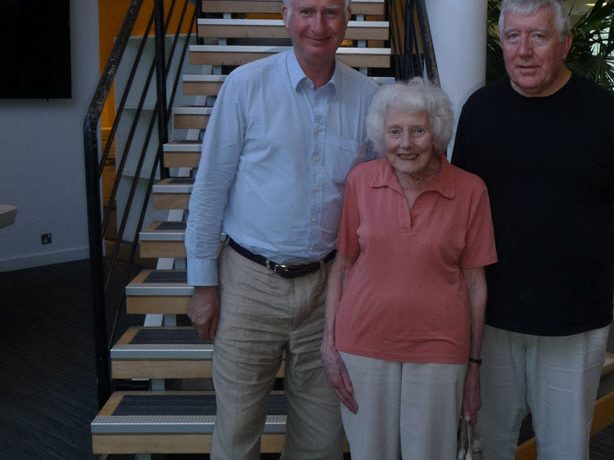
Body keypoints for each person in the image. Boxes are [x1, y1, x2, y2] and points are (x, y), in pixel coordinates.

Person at [451, 1, 614, 459]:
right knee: (488, 443)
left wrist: (587, 247)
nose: (523, 51)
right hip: (492, 316)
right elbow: (459, 202)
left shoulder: (602, 113)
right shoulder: (480, 110)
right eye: (512, 37)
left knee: (564, 447)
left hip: (573, 318)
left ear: (565, 43)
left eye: (538, 37)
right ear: (500, 43)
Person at [184, 0, 378, 458]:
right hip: (248, 285)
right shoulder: (245, 86)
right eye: (306, 11)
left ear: (346, 19)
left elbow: (374, 202)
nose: (319, 25)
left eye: (331, 12)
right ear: (286, 17)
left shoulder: (368, 97)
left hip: (328, 290)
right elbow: (211, 186)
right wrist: (202, 284)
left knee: (322, 439)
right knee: (236, 434)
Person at [320, 77, 498, 460]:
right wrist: (328, 343)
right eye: (395, 131)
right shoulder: (361, 182)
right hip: (363, 345)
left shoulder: (470, 191)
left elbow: (475, 285)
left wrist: (474, 364)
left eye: (418, 130)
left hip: (440, 348)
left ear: (436, 134)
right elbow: (344, 264)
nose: (405, 143)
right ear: (381, 136)